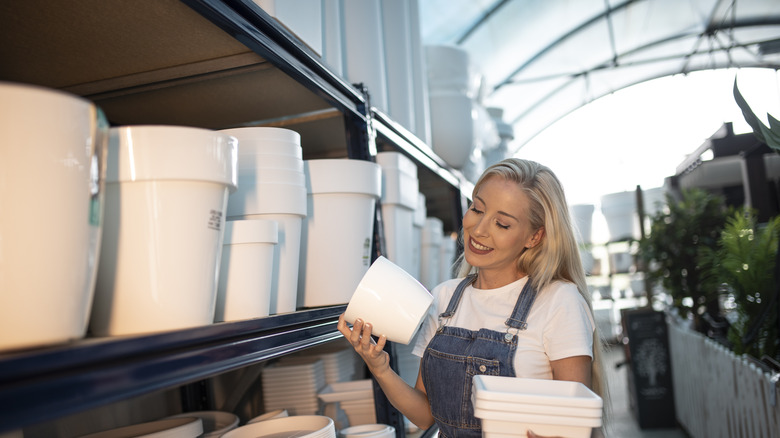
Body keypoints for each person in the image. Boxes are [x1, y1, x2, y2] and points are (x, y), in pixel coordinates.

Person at [338, 158, 608, 437]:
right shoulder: (445, 298)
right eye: (476, 209)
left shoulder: (558, 301)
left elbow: (577, 423)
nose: (478, 229)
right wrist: (379, 366)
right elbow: (425, 416)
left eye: (501, 224)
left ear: (534, 236)